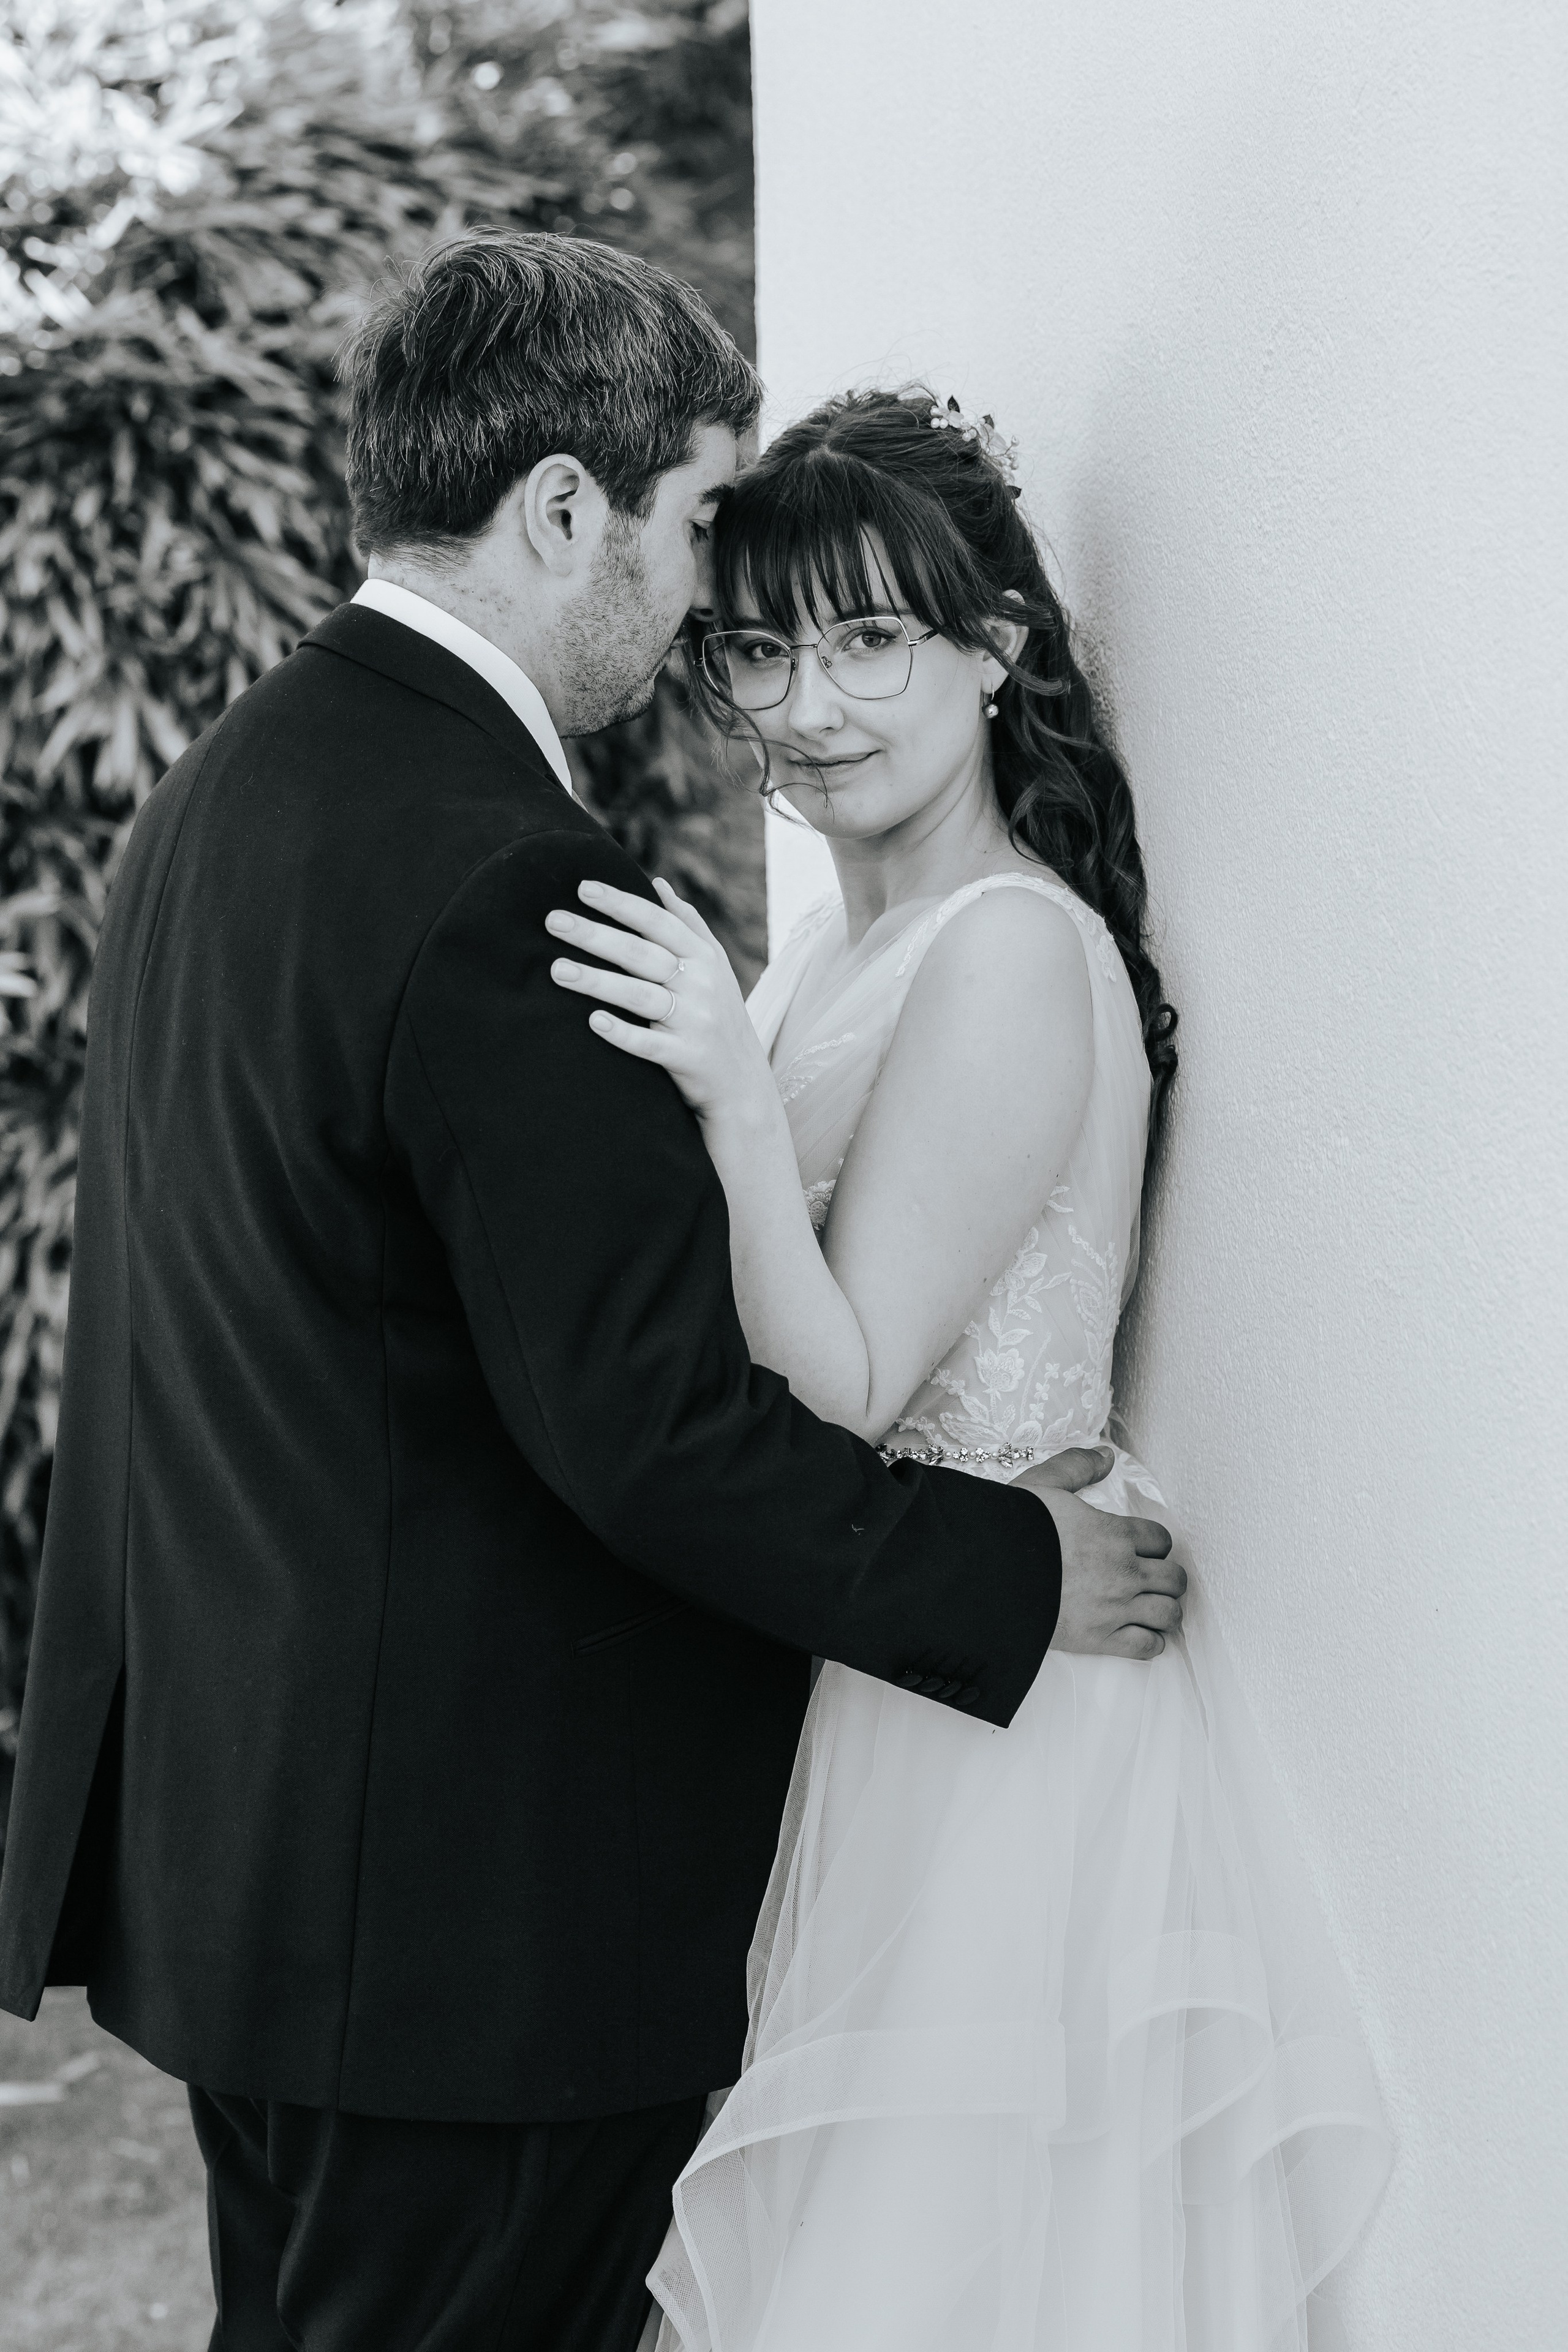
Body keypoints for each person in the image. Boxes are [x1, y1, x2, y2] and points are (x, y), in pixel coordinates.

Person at [0, 241, 1183, 2351]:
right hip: (463, 1929)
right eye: (703, 519)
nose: (729, 616)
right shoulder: (496, 869)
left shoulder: (220, 800)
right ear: (569, 508)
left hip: (265, 1868)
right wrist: (1011, 1575)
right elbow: (642, 1421)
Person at [552, 388, 1393, 2350]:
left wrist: (727, 1097)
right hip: (896, 1666)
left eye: (871, 640)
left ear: (995, 653)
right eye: (761, 646)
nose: (811, 702)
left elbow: (833, 1386)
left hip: (1000, 1740)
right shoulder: (833, 953)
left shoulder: (1006, 948)